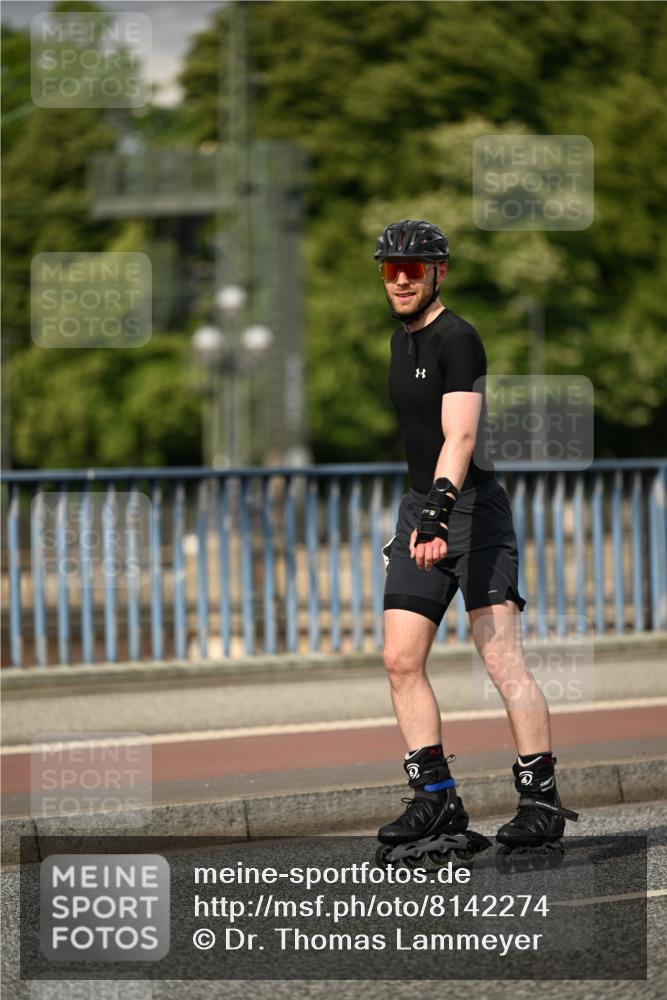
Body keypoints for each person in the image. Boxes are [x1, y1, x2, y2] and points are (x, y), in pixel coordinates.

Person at [376, 219, 577, 859]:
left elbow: (460, 437)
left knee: (500, 660)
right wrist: (421, 516)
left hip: (471, 510)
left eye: (414, 268)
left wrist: (438, 514)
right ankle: (435, 796)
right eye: (390, 269)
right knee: (400, 658)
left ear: (439, 272)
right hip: (420, 508)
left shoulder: (459, 339)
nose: (401, 278)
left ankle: (540, 803)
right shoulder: (397, 342)